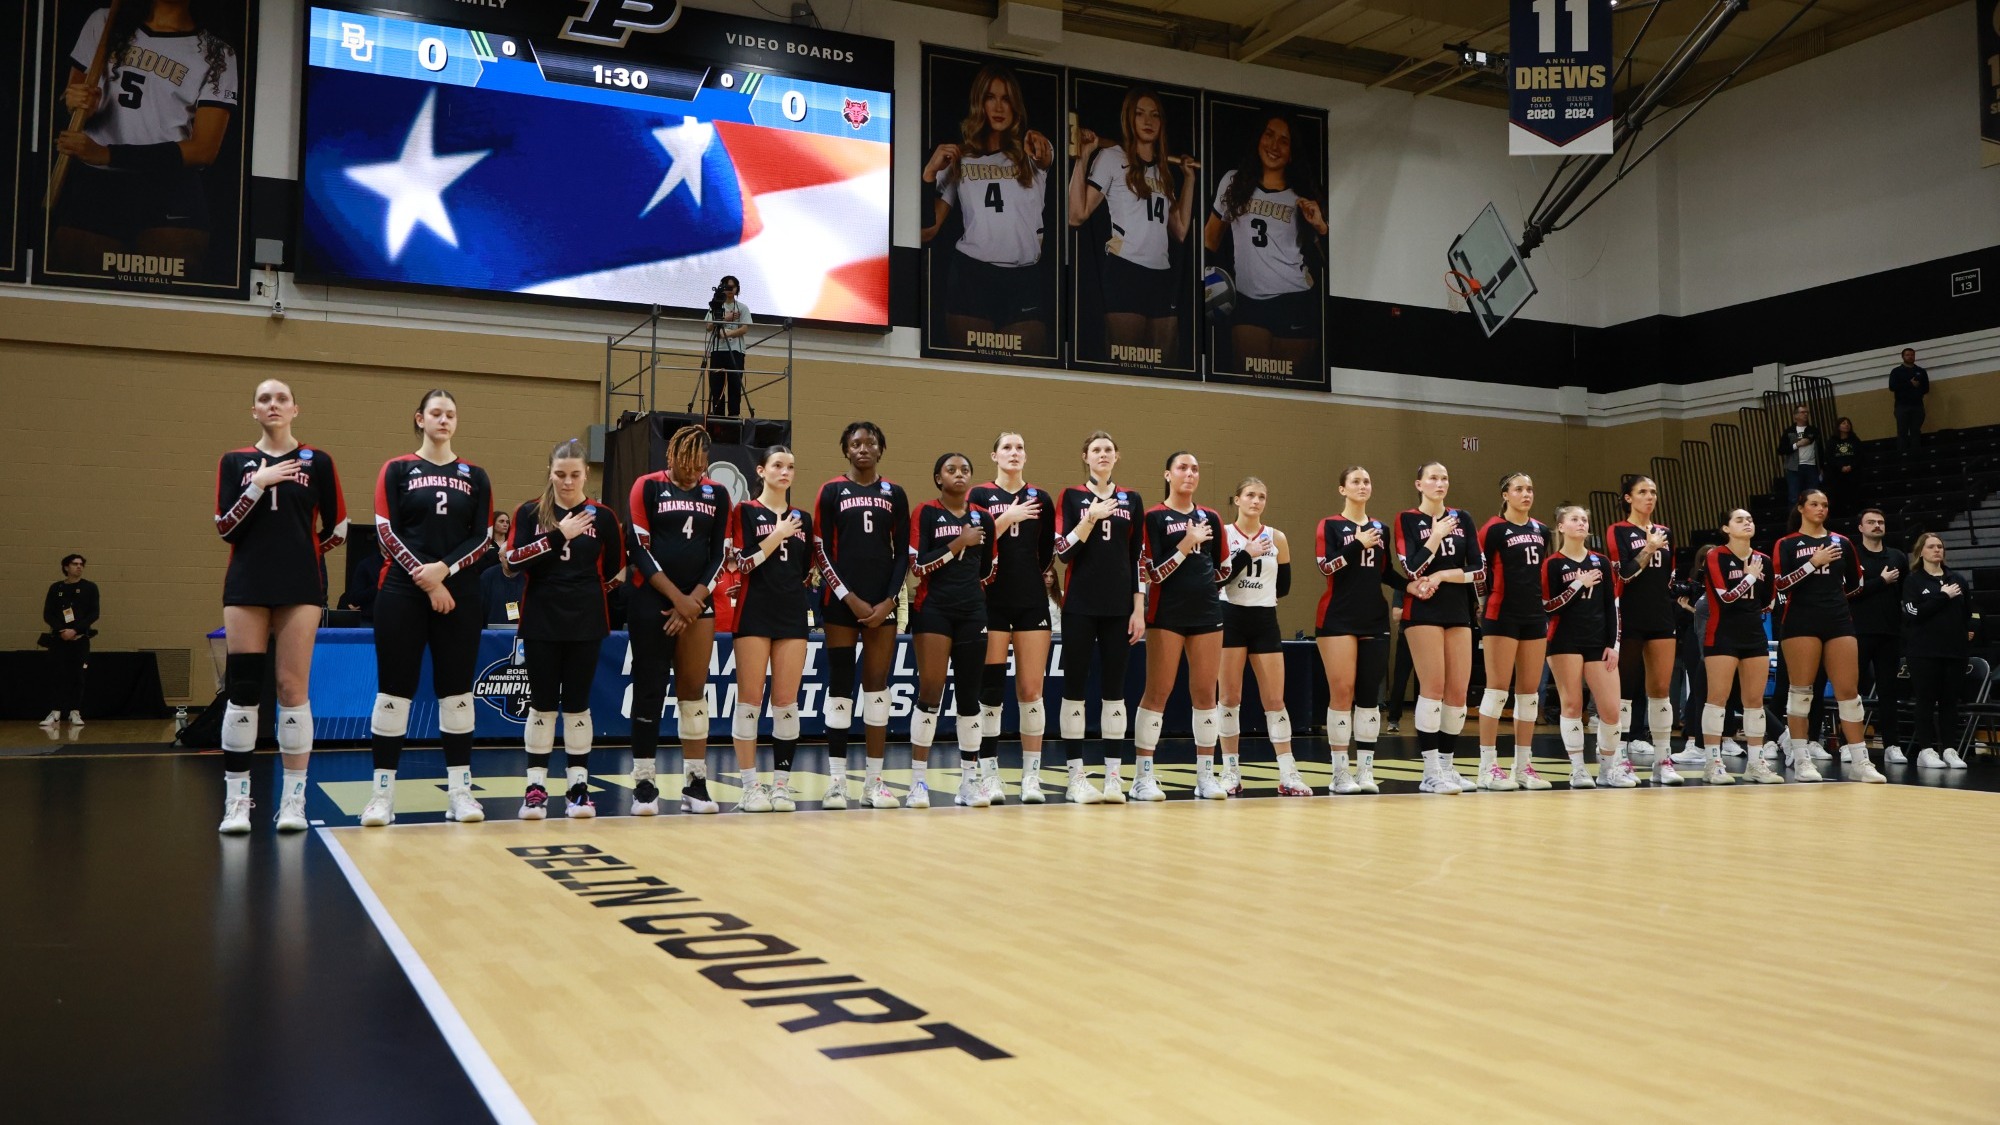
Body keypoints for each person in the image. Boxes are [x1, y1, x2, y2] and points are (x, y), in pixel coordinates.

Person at [210, 379, 347, 833]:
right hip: (246, 585)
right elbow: (225, 528)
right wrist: (257, 486)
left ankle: (293, 800)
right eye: (265, 399)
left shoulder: (318, 461)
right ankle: (237, 801)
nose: (273, 405)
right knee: (243, 690)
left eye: (281, 399)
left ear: (295, 409)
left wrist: (304, 554)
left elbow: (339, 526)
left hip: (299, 587)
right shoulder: (234, 461)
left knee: (292, 689)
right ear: (254, 410)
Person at [361, 389, 495, 827]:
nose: (443, 419)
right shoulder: (397, 468)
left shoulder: (476, 475)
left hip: (459, 592)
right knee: (394, 691)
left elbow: (483, 537)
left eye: (450, 414)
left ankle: (460, 793)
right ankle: (382, 796)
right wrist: (426, 577)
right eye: (435, 413)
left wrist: (443, 570)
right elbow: (385, 530)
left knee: (456, 692)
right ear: (419, 418)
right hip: (402, 589)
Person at [50, 1, 239, 279]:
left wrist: (109, 154)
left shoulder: (217, 53)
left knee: (165, 311)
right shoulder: (104, 21)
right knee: (75, 302)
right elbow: (72, 98)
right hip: (99, 184)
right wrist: (76, 102)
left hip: (169, 189)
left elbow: (203, 150)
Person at [504, 440, 624, 819]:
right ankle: (535, 787)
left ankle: (577, 788)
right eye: (560, 474)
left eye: (575, 474)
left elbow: (617, 569)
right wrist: (559, 535)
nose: (567, 482)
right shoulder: (529, 512)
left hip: (586, 621)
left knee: (577, 705)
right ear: (550, 473)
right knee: (541, 704)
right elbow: (512, 561)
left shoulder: (603, 517)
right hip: (540, 619)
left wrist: (587, 594)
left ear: (587, 473)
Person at [628, 425, 733, 814]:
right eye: (685, 465)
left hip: (698, 603)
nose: (691, 473)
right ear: (670, 457)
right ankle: (643, 780)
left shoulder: (718, 493)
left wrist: (695, 601)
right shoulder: (647, 486)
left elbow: (719, 554)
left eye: (699, 465)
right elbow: (639, 548)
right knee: (650, 688)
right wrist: (679, 600)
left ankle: (695, 783)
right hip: (653, 600)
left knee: (693, 691)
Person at [921, 64, 1056, 356]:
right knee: (970, 383)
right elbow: (927, 231)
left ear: (1015, 106)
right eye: (991, 97)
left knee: (1026, 384)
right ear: (979, 102)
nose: (998, 107)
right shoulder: (959, 158)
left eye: (1006, 99)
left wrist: (1042, 146)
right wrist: (930, 173)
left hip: (1024, 278)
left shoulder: (1031, 154)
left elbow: (1045, 155)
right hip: (972, 275)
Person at [813, 422, 911, 809]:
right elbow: (820, 549)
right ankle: (837, 782)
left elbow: (902, 552)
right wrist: (848, 598)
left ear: (881, 449)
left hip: (882, 603)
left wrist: (889, 601)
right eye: (856, 443)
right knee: (840, 686)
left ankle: (874, 782)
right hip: (841, 603)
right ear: (846, 450)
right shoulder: (832, 490)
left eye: (871, 442)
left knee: (877, 690)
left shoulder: (895, 493)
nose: (864, 448)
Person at [1069, 90, 1197, 364]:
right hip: (1125, 271)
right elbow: (1076, 215)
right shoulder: (1112, 157)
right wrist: (1084, 157)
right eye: (1140, 113)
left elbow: (1181, 229)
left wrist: (1189, 180)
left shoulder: (1163, 168)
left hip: (1162, 277)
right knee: (1125, 364)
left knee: (1165, 369)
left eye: (1154, 115)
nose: (1148, 120)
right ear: (1129, 119)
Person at [1770, 489, 1887, 783]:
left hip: (1838, 620)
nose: (1821, 508)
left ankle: (1861, 761)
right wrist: (1813, 563)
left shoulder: (1843, 542)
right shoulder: (1787, 543)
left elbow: (1856, 584)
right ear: (1801, 508)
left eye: (1824, 504)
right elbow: (1781, 585)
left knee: (1849, 692)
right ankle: (1801, 758)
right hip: (1800, 621)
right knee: (1801, 691)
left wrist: (1833, 596)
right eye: (1814, 504)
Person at [1135, 451, 1233, 801]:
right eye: (1182, 468)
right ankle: (1143, 776)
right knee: (1157, 692)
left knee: (1206, 694)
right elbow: (1152, 572)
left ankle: (1206, 776)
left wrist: (1202, 580)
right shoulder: (1153, 517)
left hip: (1207, 613)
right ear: (1168, 475)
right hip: (1166, 615)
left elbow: (1223, 570)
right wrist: (1185, 546)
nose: (1189, 473)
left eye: (1194, 468)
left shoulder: (1212, 516)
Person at [1054, 431, 1146, 803]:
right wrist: (1090, 519)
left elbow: (1137, 556)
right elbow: (1062, 552)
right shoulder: (1072, 496)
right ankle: (1076, 776)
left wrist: (1139, 608)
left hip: (1119, 608)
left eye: (1109, 449)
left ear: (1116, 456)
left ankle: (1113, 777)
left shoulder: (1132, 499)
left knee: (1115, 691)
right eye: (1096, 450)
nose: (1103, 454)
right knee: (1074, 687)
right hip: (1079, 605)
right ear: (1085, 457)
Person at [907, 453, 999, 809]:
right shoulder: (926, 512)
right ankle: (918, 782)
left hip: (973, 611)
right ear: (937, 478)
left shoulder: (985, 518)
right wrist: (958, 544)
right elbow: (918, 566)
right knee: (930, 690)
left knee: (969, 697)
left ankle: (969, 781)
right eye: (951, 470)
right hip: (933, 611)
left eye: (964, 470)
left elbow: (989, 568)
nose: (958, 475)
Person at [726, 447, 815, 813]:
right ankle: (750, 787)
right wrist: (776, 535)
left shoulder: (804, 518)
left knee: (786, 702)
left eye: (791, 466)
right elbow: (742, 563)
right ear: (761, 470)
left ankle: (781, 785)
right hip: (753, 612)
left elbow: (806, 571)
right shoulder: (744, 512)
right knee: (749, 700)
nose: (785, 472)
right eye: (778, 465)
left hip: (791, 612)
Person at [1204, 114, 1327, 376]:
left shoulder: (1301, 195)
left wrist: (1321, 227)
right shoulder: (1233, 182)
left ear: (1291, 153)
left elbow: (1328, 258)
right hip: (1249, 301)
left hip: (1295, 299)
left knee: (1289, 395)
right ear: (1258, 138)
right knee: (1251, 387)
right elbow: (1210, 240)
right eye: (1269, 135)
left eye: (1284, 141)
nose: (1274, 145)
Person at [970, 432, 1056, 804]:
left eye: (1020, 447)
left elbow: (1046, 552)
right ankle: (989, 775)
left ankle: (1031, 778)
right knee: (990, 691)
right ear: (994, 455)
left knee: (1031, 691)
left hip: (1031, 601)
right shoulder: (979, 496)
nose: (1014, 452)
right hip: (991, 601)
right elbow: (975, 542)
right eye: (1007, 447)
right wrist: (1006, 518)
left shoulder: (1042, 498)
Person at [1393, 462, 1485, 794]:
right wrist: (1434, 536)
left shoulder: (1463, 518)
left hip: (1457, 609)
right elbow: (1410, 567)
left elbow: (1479, 568)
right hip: (1422, 611)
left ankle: (1447, 766)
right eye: (1433, 477)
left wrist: (1445, 575)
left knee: (1458, 693)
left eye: (1444, 477)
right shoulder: (1406, 519)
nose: (1439, 482)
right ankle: (1430, 771)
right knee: (1432, 687)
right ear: (1419, 483)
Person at [1314, 466, 1395, 796]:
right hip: (1337, 618)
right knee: (1342, 692)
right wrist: (1356, 544)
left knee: (1368, 696)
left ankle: (1365, 770)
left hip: (1374, 617)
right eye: (1356, 482)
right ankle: (1339, 772)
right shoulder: (1330, 524)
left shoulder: (1381, 528)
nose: (1363, 486)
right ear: (1342, 489)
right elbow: (1325, 565)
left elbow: (1386, 573)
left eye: (1367, 481)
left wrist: (1418, 585)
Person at [1474, 473, 1554, 790]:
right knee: (1496, 691)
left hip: (1534, 616)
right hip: (1500, 614)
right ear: (1505, 494)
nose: (1526, 494)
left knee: (1529, 694)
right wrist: (1482, 605)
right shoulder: (1492, 529)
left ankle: (1523, 766)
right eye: (1519, 489)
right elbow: (1480, 573)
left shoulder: (1541, 530)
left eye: (1530, 489)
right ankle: (1487, 766)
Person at [1541, 506, 1627, 788]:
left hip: (1598, 641)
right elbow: (1548, 606)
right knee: (1572, 704)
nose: (1581, 523)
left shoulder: (1601, 562)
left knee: (1611, 710)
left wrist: (1613, 644)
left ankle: (1607, 768)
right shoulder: (1552, 564)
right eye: (1575, 519)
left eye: (1585, 520)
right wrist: (1577, 585)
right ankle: (1578, 769)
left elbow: (1612, 606)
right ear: (1561, 526)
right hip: (1564, 640)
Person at [1217, 477, 1293, 796]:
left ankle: (1289, 773)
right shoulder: (1223, 534)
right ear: (1237, 499)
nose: (1256, 501)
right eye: (1250, 495)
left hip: (1264, 618)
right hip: (1231, 616)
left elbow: (1285, 587)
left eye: (1262, 496)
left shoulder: (1278, 537)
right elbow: (1217, 577)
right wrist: (1246, 553)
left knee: (1275, 700)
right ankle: (1230, 771)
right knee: (1230, 698)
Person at [1606, 475, 1683, 784]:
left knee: (1661, 689)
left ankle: (1663, 759)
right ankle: (1621, 758)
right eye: (1642, 492)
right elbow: (1623, 574)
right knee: (1624, 689)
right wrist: (1648, 549)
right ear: (1628, 498)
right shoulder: (1618, 531)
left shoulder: (1666, 531)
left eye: (1653, 491)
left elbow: (1669, 574)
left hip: (1661, 615)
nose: (1649, 497)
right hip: (1629, 615)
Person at [1699, 510, 1782, 783]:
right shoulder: (1716, 556)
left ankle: (1755, 764)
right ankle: (1713, 762)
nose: (1747, 522)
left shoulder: (1765, 560)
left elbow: (1768, 601)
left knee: (1755, 702)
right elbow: (1725, 598)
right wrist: (1748, 578)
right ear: (1726, 527)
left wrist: (1752, 579)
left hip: (1753, 635)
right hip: (1722, 634)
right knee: (1718, 699)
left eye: (1750, 519)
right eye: (1739, 520)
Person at [1902, 532, 1974, 769]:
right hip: (1923, 651)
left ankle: (1950, 749)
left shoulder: (1957, 579)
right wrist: (1942, 596)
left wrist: (1969, 630)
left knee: (1949, 702)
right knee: (1925, 700)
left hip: (1954, 651)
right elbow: (1914, 613)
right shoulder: (1913, 580)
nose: (1937, 550)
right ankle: (1926, 749)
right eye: (1931, 546)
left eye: (1940, 547)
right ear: (1920, 551)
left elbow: (1968, 612)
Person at [1850, 509, 1908, 764]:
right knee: (1852, 691)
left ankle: (1892, 745)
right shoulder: (1851, 554)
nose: (1877, 526)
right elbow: (1848, 591)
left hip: (1889, 632)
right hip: (1858, 632)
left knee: (1888, 691)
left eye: (1881, 522)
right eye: (1871, 522)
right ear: (1860, 527)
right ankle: (1849, 744)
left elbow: (1906, 593)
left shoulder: (1897, 556)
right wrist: (1880, 582)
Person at [40, 555, 101, 729]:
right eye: (75, 564)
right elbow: (48, 613)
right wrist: (61, 630)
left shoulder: (90, 588)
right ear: (66, 567)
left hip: (80, 640)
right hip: (59, 640)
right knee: (57, 674)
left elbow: (94, 613)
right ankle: (55, 712)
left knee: (78, 675)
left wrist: (76, 630)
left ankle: (75, 711)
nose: (79, 567)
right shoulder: (56, 588)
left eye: (81, 564)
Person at [703, 276, 752, 417]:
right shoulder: (716, 306)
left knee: (735, 384)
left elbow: (744, 329)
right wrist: (726, 318)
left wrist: (727, 334)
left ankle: (734, 416)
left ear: (737, 289)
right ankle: (718, 417)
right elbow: (708, 326)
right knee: (717, 385)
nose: (730, 290)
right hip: (718, 350)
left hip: (736, 350)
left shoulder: (743, 308)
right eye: (727, 287)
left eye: (732, 287)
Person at [1777, 405, 1822, 507]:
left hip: (1811, 466)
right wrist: (1796, 445)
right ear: (1795, 415)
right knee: (1794, 497)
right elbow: (1781, 450)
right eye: (1802, 412)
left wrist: (1821, 466)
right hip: (1794, 468)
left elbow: (1820, 449)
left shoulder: (1813, 430)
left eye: (1807, 412)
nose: (1805, 414)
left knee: (1814, 495)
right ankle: (1796, 520)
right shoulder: (1789, 431)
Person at [1888, 348, 1929, 454]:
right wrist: (1909, 384)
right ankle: (1902, 457)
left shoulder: (1921, 371)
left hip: (1917, 406)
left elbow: (1926, 389)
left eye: (1912, 355)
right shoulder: (1896, 371)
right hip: (1902, 406)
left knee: (1916, 432)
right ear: (1902, 357)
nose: (1910, 357)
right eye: (1907, 355)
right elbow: (1892, 387)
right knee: (1902, 432)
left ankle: (1916, 456)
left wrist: (1917, 387)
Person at [1823, 418, 1862, 521]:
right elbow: (1829, 457)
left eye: (1848, 423)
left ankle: (1855, 515)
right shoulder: (1832, 441)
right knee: (1838, 496)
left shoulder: (1854, 440)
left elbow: (1860, 456)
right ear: (1838, 426)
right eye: (1843, 423)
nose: (1846, 425)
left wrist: (1851, 466)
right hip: (1837, 474)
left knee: (1854, 495)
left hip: (1853, 472)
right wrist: (1840, 467)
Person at [479, 549, 526, 627]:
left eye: (514, 557)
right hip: (492, 633)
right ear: (500, 557)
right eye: (507, 557)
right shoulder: (488, 576)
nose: (511, 561)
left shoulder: (528, 577)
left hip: (522, 632)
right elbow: (479, 609)